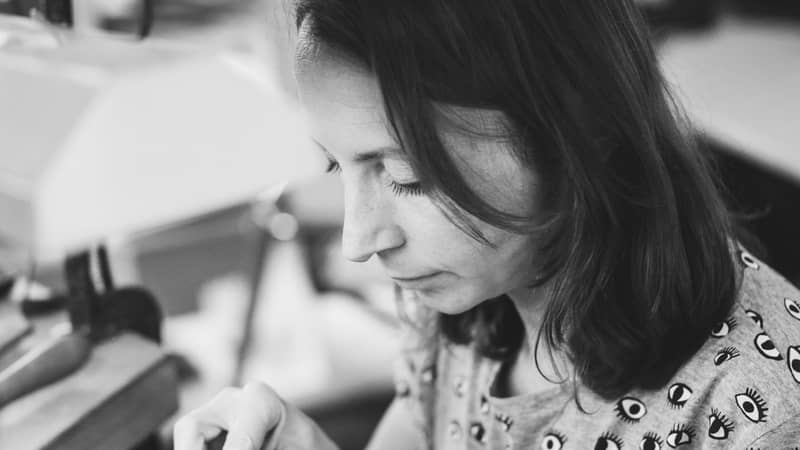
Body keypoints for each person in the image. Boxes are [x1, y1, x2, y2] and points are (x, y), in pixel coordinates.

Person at [173, 0, 800, 448]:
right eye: (337, 165)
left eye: (407, 174)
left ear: (575, 133)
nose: (359, 240)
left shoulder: (761, 413)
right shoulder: (458, 291)